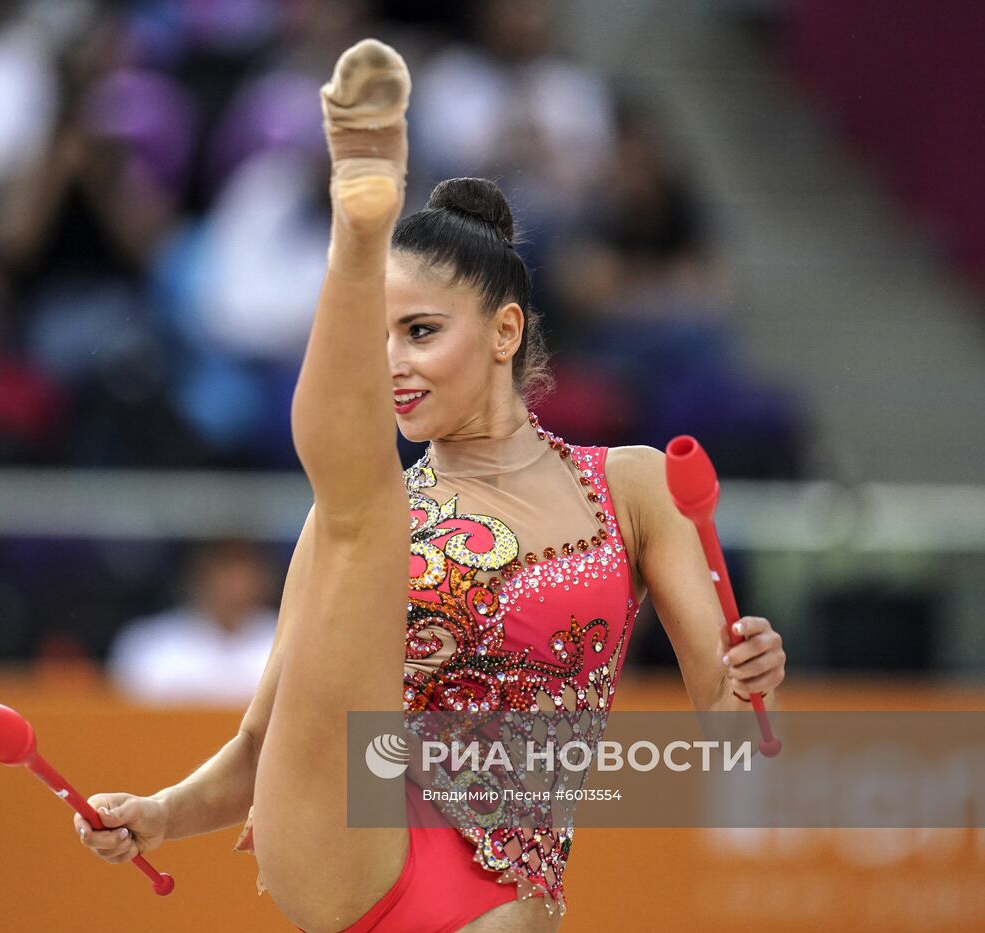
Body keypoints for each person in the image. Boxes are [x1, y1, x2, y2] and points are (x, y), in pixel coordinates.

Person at [73, 39, 786, 932]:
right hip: (352, 834)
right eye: (376, 339)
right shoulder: (362, 519)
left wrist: (750, 683)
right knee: (360, 513)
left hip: (502, 887)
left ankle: (363, 235)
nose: (393, 367)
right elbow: (265, 742)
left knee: (360, 511)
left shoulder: (632, 487)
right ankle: (358, 231)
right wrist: (161, 814)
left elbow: (727, 737)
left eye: (418, 331)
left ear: (503, 331)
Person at [106, 539, 279, 706]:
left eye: (244, 570)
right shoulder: (147, 643)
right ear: (197, 574)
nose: (236, 584)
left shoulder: (287, 640)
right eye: (223, 568)